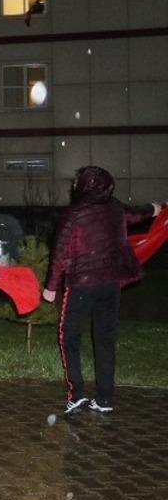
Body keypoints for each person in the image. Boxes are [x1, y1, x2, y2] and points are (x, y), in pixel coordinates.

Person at [41, 166, 162, 415]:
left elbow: (60, 251)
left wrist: (51, 287)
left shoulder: (73, 213)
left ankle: (76, 395)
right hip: (111, 284)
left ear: (85, 185)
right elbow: (136, 214)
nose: (73, 186)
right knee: (105, 338)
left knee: (69, 335)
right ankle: (105, 399)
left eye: (76, 182)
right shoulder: (115, 207)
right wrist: (155, 208)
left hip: (82, 284)